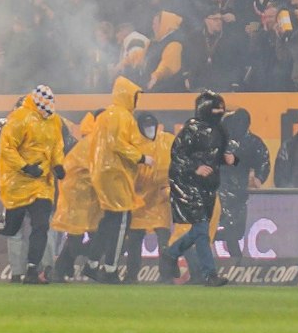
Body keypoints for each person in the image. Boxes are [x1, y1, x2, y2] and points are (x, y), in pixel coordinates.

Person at [0, 86, 65, 283]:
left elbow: (57, 145)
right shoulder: (18, 118)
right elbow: (6, 148)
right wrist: (25, 167)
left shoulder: (54, 120)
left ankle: (33, 269)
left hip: (42, 183)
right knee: (11, 228)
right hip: (17, 181)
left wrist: (58, 164)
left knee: (41, 225)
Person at [163, 91, 233, 285]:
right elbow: (177, 156)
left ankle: (171, 254)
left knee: (199, 230)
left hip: (208, 186)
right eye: (216, 108)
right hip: (188, 184)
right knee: (202, 229)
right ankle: (210, 275)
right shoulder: (191, 130)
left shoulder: (220, 131)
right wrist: (195, 168)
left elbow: (215, 156)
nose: (221, 111)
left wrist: (229, 160)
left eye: (222, 107)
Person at [87, 77, 149, 283]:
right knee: (122, 220)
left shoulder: (105, 116)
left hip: (103, 173)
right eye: (135, 96)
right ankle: (111, 270)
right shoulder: (121, 116)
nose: (137, 101)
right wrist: (141, 157)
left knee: (109, 221)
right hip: (115, 173)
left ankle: (92, 263)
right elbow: (119, 144)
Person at [49, 109, 104, 281]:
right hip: (78, 196)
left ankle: (63, 269)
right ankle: (61, 269)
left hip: (85, 196)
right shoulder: (93, 143)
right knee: (81, 236)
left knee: (86, 235)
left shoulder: (93, 142)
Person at [123, 108, 175, 282]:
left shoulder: (167, 141)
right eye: (146, 125)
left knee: (164, 239)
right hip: (139, 199)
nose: (149, 128)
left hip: (160, 197)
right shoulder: (133, 145)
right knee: (134, 241)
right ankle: (131, 275)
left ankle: (166, 274)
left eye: (151, 125)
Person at [216, 107, 270, 259]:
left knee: (234, 232)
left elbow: (262, 161)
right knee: (222, 231)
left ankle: (236, 264)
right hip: (219, 190)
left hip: (239, 192)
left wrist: (258, 178)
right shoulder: (220, 140)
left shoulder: (252, 142)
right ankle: (233, 263)